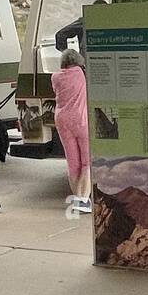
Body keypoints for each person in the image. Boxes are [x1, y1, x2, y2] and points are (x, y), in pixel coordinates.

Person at [51, 49, 92, 214]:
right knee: (87, 162)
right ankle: (84, 199)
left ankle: (77, 198)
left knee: (72, 162)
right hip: (81, 120)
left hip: (62, 120)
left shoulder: (55, 77)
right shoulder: (81, 74)